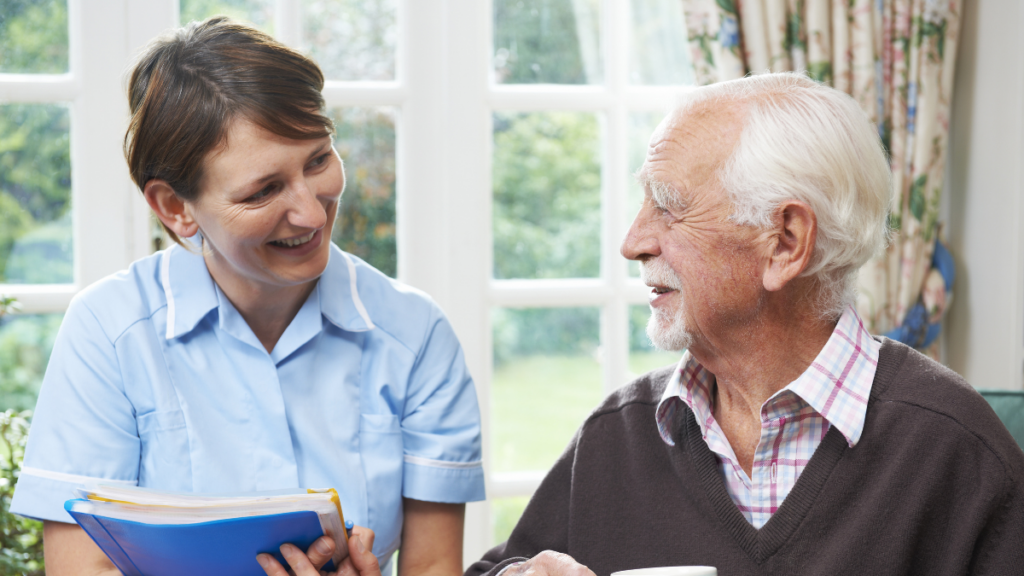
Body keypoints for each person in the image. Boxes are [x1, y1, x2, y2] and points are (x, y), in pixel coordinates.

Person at [466, 73, 1024, 576]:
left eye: (667, 206)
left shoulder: (959, 452)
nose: (632, 242)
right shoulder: (618, 435)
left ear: (785, 242)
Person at [10, 17, 484, 576]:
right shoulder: (109, 333)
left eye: (318, 160)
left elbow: (433, 569)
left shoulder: (416, 336)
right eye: (263, 190)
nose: (311, 212)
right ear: (174, 207)